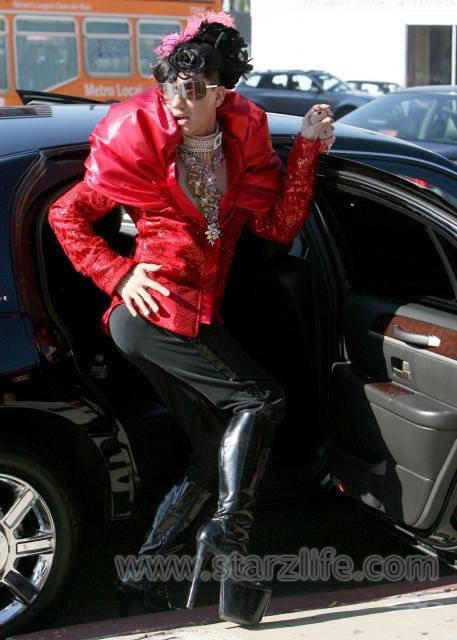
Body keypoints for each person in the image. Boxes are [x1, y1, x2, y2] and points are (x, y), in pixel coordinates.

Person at [48, 10, 335, 626]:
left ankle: (145, 578)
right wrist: (118, 274)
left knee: (210, 453)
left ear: (222, 92)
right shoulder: (141, 144)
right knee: (261, 399)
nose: (178, 101)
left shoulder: (242, 145)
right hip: (150, 315)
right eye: (171, 86)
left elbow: (278, 226)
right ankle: (229, 540)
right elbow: (65, 215)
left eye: (195, 89)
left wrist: (308, 149)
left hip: (196, 318)